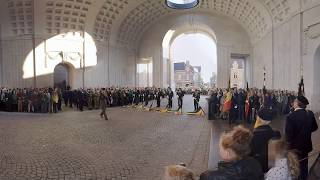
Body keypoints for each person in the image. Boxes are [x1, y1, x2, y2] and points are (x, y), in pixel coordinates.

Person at [285, 96, 318, 180]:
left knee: (294, 167)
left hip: (294, 148)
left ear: (298, 103)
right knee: (304, 167)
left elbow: (288, 136)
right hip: (305, 146)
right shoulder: (309, 113)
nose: (293, 103)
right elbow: (315, 128)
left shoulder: (290, 117)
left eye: (295, 101)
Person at [250, 107, 281, 173]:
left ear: (258, 118)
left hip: (256, 167)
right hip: (270, 167)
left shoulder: (252, 135)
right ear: (269, 121)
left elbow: (249, 153)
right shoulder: (276, 134)